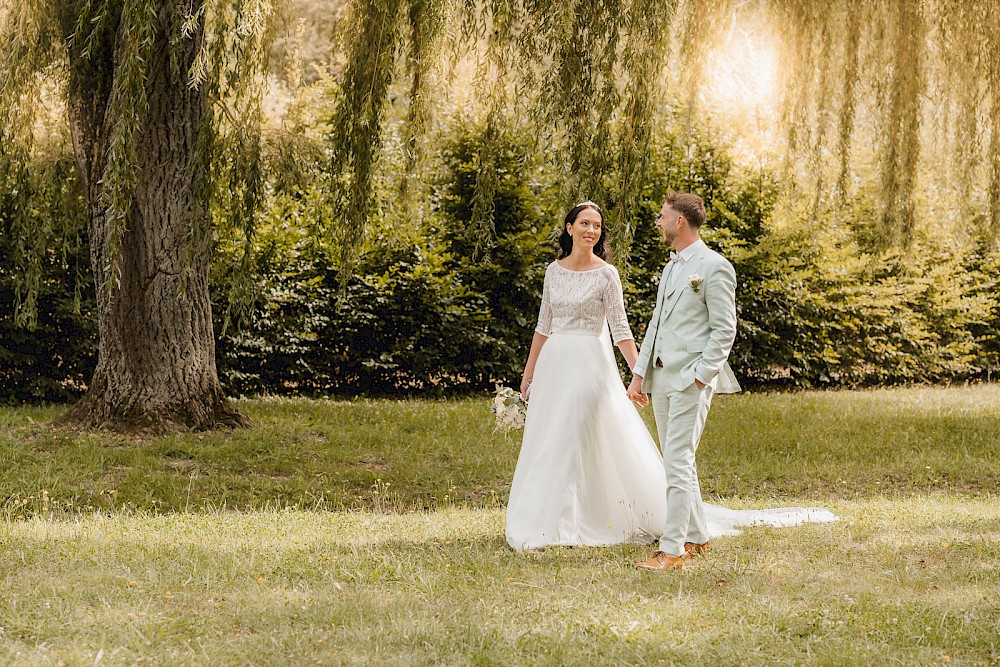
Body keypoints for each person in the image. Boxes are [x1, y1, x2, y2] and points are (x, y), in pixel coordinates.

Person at [627, 192, 835, 572]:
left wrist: (700, 377)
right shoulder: (672, 267)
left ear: (679, 222)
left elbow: (724, 330)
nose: (657, 222)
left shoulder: (715, 266)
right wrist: (639, 374)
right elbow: (656, 323)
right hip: (661, 377)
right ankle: (698, 536)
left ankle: (671, 549)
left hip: (690, 381)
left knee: (675, 460)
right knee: (680, 461)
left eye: (662, 217)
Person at [505, 201, 666, 550]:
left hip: (591, 363)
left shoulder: (607, 273)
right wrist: (529, 373)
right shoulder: (553, 271)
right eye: (584, 224)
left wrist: (638, 374)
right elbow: (543, 325)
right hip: (554, 363)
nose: (591, 231)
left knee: (572, 431)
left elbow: (620, 328)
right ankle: (546, 519)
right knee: (550, 437)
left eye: (596, 225)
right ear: (569, 228)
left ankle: (567, 524)